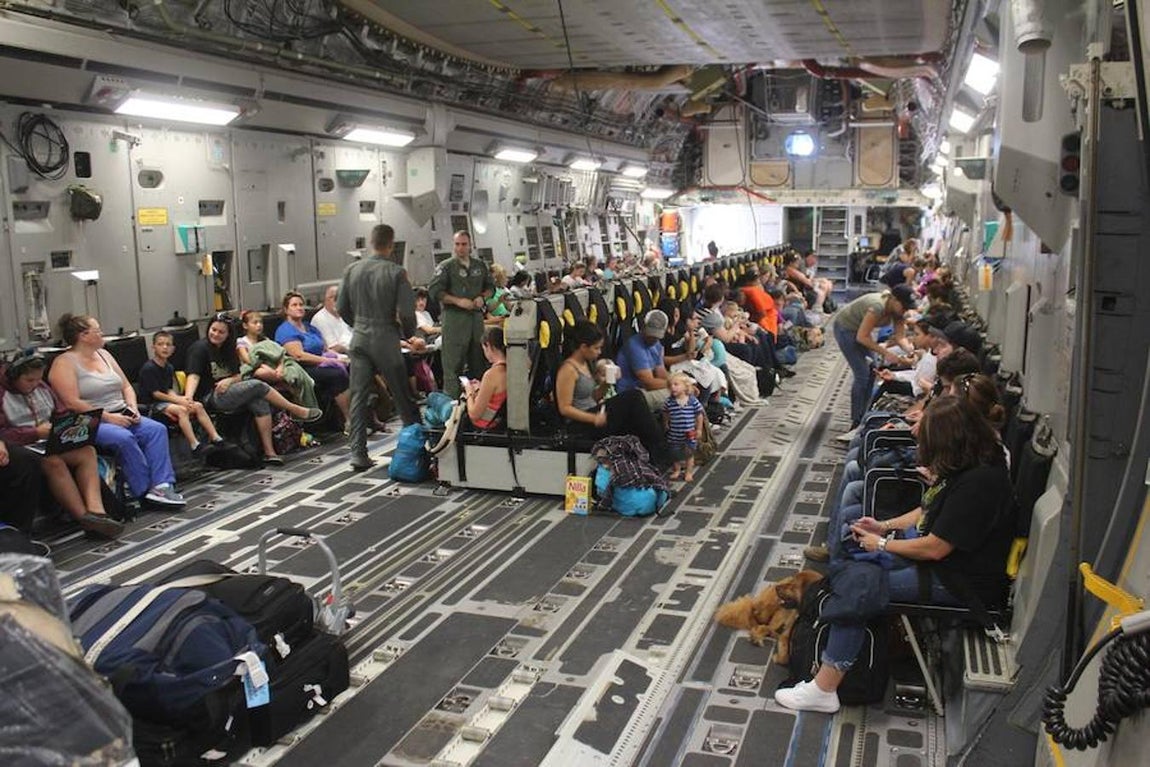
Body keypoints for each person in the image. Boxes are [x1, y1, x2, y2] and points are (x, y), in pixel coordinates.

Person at [776, 395, 1015, 713]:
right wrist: (883, 526)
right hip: (949, 568)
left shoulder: (980, 483)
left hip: (961, 584)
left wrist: (884, 545)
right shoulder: (972, 464)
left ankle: (825, 687)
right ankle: (829, 668)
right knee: (854, 562)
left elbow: (935, 548)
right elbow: (927, 508)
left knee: (861, 586)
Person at [49, 313, 185, 507]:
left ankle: (162, 486)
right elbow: (72, 402)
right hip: (91, 420)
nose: (102, 333)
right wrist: (108, 417)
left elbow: (126, 386)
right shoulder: (64, 363)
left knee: (156, 430)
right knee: (123, 438)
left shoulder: (105, 355)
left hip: (121, 411)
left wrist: (132, 407)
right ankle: (144, 490)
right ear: (83, 335)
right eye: (97, 330)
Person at [0, 354, 123, 538]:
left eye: (38, 379)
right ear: (14, 377)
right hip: (24, 445)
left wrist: (67, 427)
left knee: (87, 451)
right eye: (29, 380)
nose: (34, 384)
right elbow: (3, 433)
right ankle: (84, 518)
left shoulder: (42, 388)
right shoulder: (3, 395)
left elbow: (61, 414)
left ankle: (97, 512)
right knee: (53, 462)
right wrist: (35, 433)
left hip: (48, 440)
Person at [338, 223, 424, 470]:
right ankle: (416, 450)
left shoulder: (351, 270)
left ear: (371, 242)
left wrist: (358, 325)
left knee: (358, 397)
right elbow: (408, 313)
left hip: (360, 339)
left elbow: (343, 307)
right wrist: (408, 336)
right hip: (386, 338)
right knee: (402, 396)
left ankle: (358, 453)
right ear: (391, 244)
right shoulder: (397, 273)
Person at [185, 314, 323, 466]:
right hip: (210, 396)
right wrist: (188, 398)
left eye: (221, 332)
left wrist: (229, 380)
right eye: (213, 330)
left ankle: (269, 452)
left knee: (259, 399)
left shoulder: (229, 348)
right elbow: (194, 376)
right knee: (257, 385)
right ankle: (295, 409)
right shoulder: (200, 348)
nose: (216, 334)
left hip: (230, 390)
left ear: (228, 334)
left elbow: (239, 375)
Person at [556, 321, 669, 466]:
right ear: (584, 347)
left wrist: (607, 383)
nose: (599, 352)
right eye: (596, 348)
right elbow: (564, 408)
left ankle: (650, 456)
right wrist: (593, 418)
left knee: (634, 415)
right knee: (633, 397)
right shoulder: (568, 370)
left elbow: (593, 396)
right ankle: (661, 449)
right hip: (582, 423)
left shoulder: (586, 364)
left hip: (595, 412)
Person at [832, 285, 917, 439]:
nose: (904, 311)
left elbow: (900, 337)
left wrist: (910, 351)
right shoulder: (877, 306)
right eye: (903, 307)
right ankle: (856, 420)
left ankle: (865, 414)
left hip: (860, 332)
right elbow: (861, 337)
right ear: (894, 300)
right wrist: (886, 353)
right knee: (862, 375)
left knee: (873, 370)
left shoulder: (898, 312)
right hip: (846, 329)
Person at [428, 230, 494, 398]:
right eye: (457, 244)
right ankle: (453, 404)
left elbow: (490, 287)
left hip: (476, 320)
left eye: (464, 244)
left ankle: (479, 399)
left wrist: (482, 297)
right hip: (455, 321)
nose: (460, 248)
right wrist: (457, 301)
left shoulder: (480, 265)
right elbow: (435, 291)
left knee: (478, 360)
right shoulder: (446, 267)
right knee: (453, 365)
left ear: (470, 245)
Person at [138, 330, 224, 454]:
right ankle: (194, 444)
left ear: (173, 348)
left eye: (168, 344)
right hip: (153, 404)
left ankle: (216, 438)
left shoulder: (169, 367)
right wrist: (178, 401)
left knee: (197, 406)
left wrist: (184, 399)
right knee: (182, 410)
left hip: (167, 401)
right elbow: (156, 394)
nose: (165, 347)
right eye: (160, 344)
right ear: (153, 347)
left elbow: (168, 389)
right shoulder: (149, 368)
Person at [275, 292, 351, 427]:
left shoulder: (310, 327)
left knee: (353, 366)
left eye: (301, 305)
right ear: (286, 310)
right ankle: (348, 420)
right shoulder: (285, 330)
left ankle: (365, 414)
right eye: (294, 305)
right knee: (336, 374)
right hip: (303, 367)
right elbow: (299, 355)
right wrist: (327, 361)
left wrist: (340, 358)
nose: (299, 307)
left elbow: (325, 349)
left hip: (320, 361)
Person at [236, 310, 319, 410]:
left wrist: (280, 367)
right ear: (245, 325)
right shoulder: (242, 342)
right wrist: (265, 367)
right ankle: (285, 384)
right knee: (262, 372)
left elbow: (279, 354)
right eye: (255, 323)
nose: (259, 325)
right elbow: (249, 360)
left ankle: (294, 385)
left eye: (260, 322)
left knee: (291, 367)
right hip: (255, 368)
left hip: (273, 366)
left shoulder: (265, 340)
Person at [615, 309, 671, 411]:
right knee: (679, 394)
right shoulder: (634, 346)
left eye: (656, 337)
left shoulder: (656, 345)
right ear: (643, 327)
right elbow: (648, 383)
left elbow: (661, 372)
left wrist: (679, 380)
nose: (653, 339)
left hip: (642, 390)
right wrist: (675, 384)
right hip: (630, 393)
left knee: (684, 390)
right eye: (651, 335)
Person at [463, 326, 508, 430]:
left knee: (434, 399)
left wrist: (468, 390)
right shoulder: (510, 368)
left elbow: (474, 415)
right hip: (497, 419)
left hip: (484, 424)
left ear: (488, 345)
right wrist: (481, 386)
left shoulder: (491, 375)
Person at [662, 372, 703, 482]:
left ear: (686, 387)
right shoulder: (669, 402)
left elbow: (699, 415)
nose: (673, 387)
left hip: (689, 433)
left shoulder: (692, 401)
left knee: (689, 454)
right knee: (675, 453)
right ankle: (677, 470)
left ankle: (689, 472)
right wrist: (666, 423)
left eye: (676, 384)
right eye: (670, 385)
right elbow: (665, 413)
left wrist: (699, 429)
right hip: (674, 433)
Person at [311, 284, 353, 354]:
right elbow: (333, 347)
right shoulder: (320, 319)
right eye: (332, 298)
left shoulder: (345, 314)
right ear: (325, 301)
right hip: (340, 356)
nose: (336, 301)